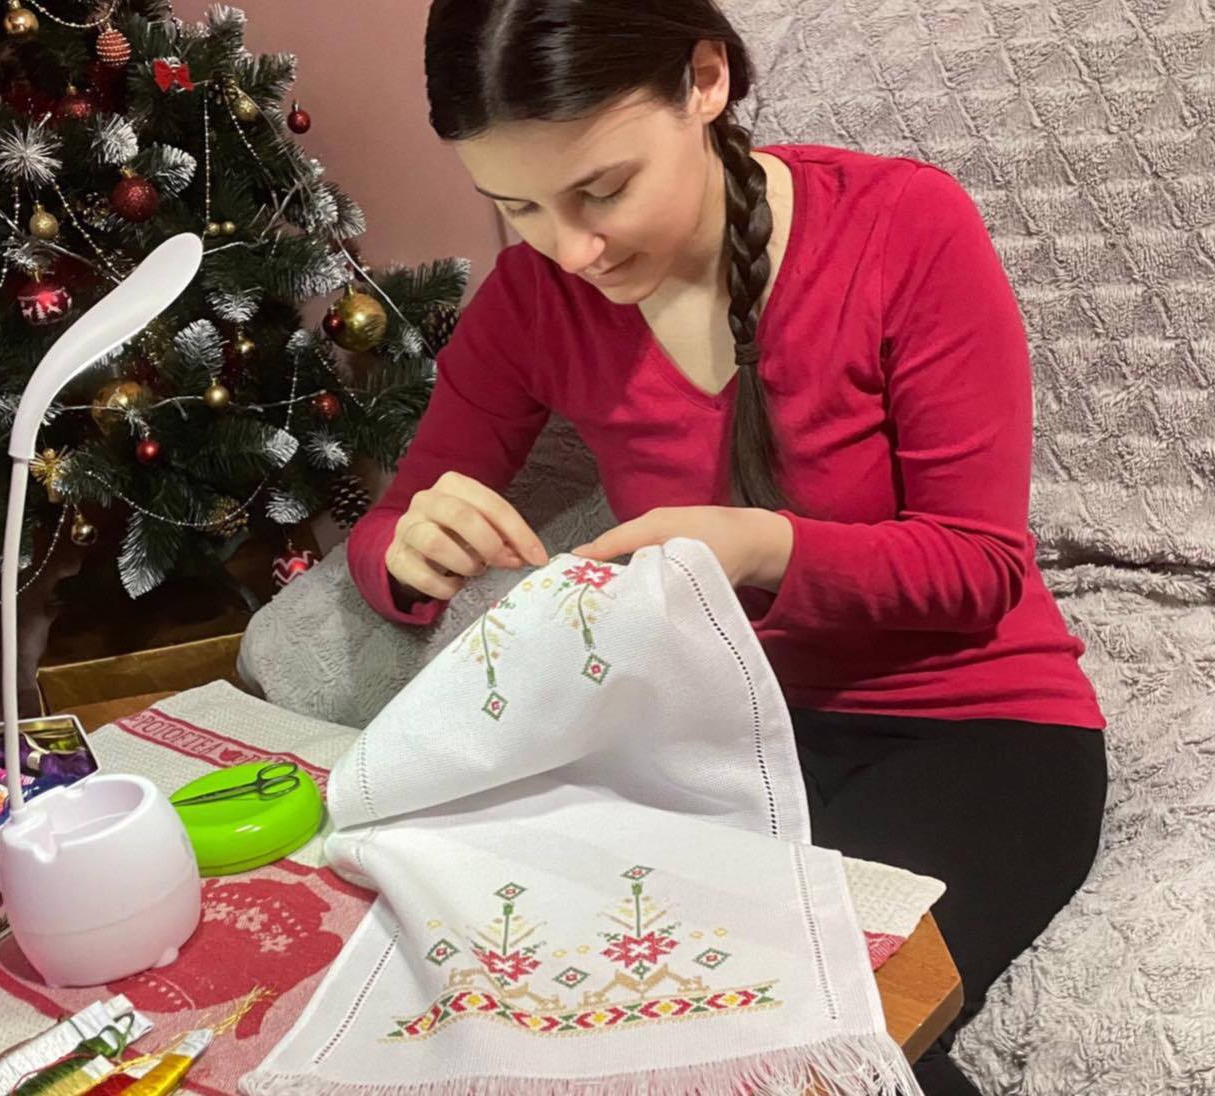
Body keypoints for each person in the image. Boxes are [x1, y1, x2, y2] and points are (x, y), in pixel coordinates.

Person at [345, 2, 1109, 1091]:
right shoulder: (532, 299)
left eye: (603, 190)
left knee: (802, 1046)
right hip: (709, 735)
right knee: (569, 1021)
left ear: (705, 81)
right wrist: (412, 550)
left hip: (974, 732)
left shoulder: (901, 226)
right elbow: (389, 529)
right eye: (515, 207)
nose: (571, 249)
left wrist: (757, 548)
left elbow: (978, 565)